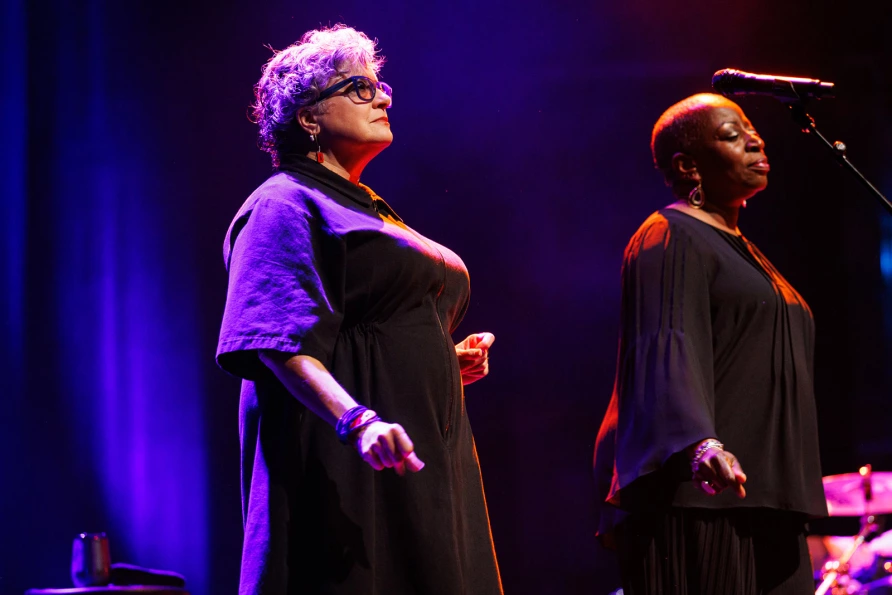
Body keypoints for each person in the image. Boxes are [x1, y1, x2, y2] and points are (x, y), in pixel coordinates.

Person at [216, 25, 503, 595]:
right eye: (358, 88)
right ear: (308, 117)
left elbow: (366, 329)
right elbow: (277, 341)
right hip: (349, 461)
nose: (383, 97)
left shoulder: (367, 208)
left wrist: (438, 360)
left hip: (417, 456)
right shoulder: (282, 203)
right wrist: (357, 419)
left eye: (381, 85)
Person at [592, 93, 827, 594]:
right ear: (687, 164)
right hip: (702, 493)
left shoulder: (743, 248)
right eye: (731, 134)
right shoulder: (670, 235)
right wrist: (699, 443)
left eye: (751, 129)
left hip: (768, 496)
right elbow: (665, 343)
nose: (755, 139)